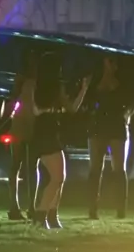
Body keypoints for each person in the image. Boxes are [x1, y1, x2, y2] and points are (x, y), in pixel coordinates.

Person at [28, 53, 88, 229]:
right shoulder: (53, 87)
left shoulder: (37, 86)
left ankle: (51, 215)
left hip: (42, 133)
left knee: (58, 177)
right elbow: (71, 108)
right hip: (49, 133)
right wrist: (83, 90)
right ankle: (42, 214)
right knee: (58, 177)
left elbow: (35, 110)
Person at [80, 56, 134, 219]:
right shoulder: (96, 80)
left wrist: (128, 112)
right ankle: (93, 208)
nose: (109, 65)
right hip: (98, 125)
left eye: (112, 62)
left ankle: (120, 209)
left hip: (115, 125)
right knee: (95, 168)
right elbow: (88, 100)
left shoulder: (122, 82)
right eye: (108, 61)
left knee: (118, 168)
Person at [5, 50, 39, 221]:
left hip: (23, 123)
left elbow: (12, 100)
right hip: (27, 124)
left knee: (19, 165)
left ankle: (19, 206)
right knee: (27, 166)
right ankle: (24, 206)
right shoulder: (31, 81)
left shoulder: (23, 80)